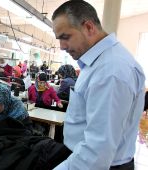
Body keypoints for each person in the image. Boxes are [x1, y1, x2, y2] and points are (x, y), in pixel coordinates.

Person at [52, 1, 145, 169]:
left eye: (65, 37)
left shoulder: (111, 71)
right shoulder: (98, 64)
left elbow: (96, 154)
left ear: (89, 27)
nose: (62, 46)